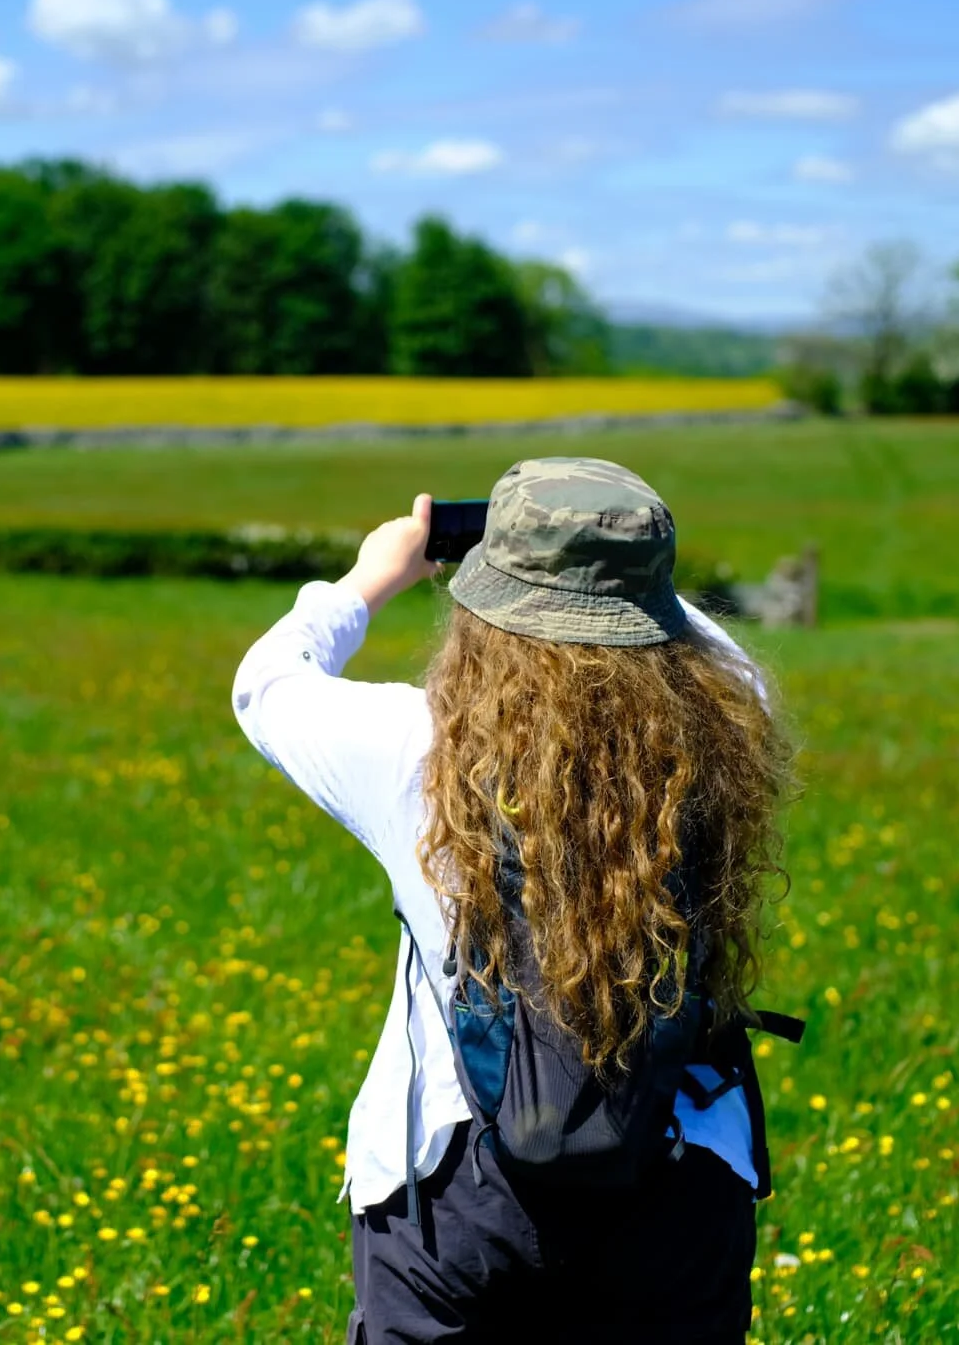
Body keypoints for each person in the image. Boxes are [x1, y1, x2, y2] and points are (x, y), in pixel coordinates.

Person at [231, 457, 795, 1343]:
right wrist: (622, 569)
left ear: (487, 601)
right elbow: (720, 655)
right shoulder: (718, 737)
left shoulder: (415, 749)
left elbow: (267, 685)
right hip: (683, 1179)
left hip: (455, 1192)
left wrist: (370, 578)